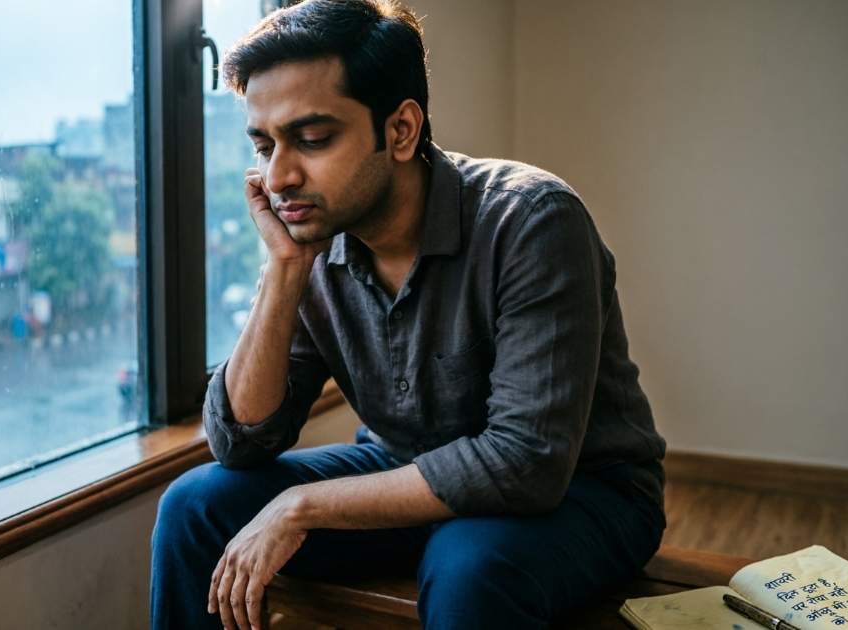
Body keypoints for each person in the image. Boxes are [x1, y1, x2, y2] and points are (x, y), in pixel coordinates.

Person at [151, 1, 667, 628]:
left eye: (312, 139)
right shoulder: (316, 239)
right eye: (264, 145)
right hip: (403, 466)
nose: (279, 176)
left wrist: (304, 506)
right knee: (194, 506)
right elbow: (239, 442)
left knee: (470, 564)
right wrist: (284, 271)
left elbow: (526, 463)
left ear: (400, 130)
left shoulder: (533, 220)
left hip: (584, 491)